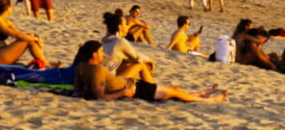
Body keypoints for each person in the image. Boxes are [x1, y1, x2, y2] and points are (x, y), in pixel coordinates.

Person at [73, 40, 227, 103]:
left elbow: (77, 91)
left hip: (131, 84)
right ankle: (210, 99)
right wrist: (123, 94)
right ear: (93, 55)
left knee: (176, 91)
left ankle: (200, 93)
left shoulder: (81, 67)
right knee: (173, 92)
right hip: (135, 89)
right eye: (100, 52)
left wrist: (87, 90)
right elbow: (101, 98)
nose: (103, 55)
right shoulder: (97, 70)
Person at [0, 0, 56, 66]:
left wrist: (33, 36)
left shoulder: (7, 22)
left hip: (3, 52)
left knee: (29, 38)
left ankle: (45, 62)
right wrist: (36, 39)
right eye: (11, 7)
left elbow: (19, 34)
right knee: (28, 40)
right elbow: (16, 35)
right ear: (8, 8)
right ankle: (46, 64)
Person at [101, 10, 155, 83]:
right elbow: (137, 57)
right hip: (110, 81)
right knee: (140, 65)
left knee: (128, 64)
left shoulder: (103, 40)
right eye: (126, 24)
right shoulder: (119, 41)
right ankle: (152, 87)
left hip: (102, 77)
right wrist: (151, 60)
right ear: (120, 27)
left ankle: (141, 84)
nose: (127, 27)